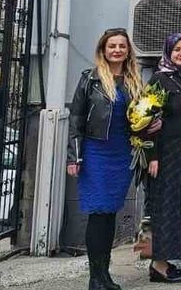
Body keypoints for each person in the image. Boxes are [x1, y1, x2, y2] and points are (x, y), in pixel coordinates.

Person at [67, 29, 145, 290]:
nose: (117, 50)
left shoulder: (134, 80)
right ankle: (94, 277)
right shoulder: (90, 79)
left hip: (122, 154)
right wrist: (74, 156)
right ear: (103, 49)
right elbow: (76, 119)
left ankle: (105, 276)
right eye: (112, 46)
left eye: (122, 46)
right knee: (98, 214)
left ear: (127, 51)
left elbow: (140, 119)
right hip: (96, 153)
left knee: (110, 213)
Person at [146, 33, 181, 283]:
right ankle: (158, 266)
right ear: (168, 52)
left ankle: (167, 261)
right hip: (164, 151)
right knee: (163, 206)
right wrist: (153, 156)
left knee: (178, 205)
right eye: (176, 49)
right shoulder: (158, 79)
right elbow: (147, 122)